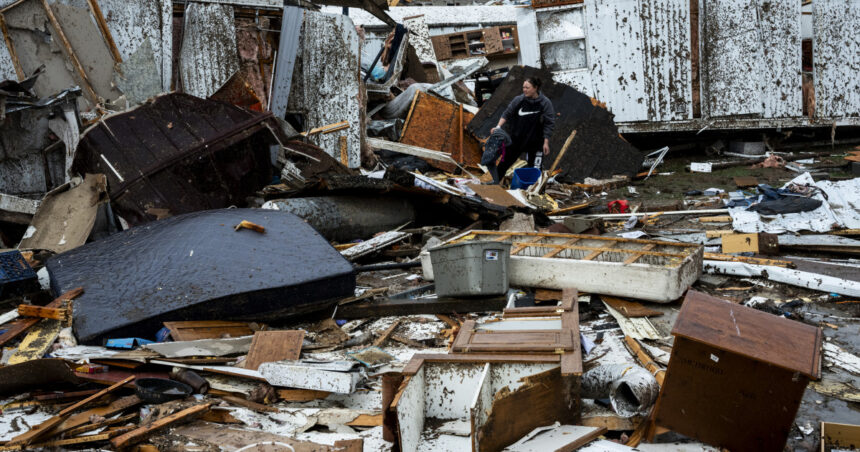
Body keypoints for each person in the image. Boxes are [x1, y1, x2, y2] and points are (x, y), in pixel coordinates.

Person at [489, 77, 555, 182]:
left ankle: (534, 192)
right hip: (516, 138)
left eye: (527, 88)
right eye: (523, 87)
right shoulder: (519, 100)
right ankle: (494, 183)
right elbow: (507, 113)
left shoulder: (545, 103)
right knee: (503, 163)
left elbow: (549, 123)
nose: (524, 90)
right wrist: (498, 127)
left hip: (536, 141)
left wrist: (546, 142)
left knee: (535, 169)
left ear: (535, 88)